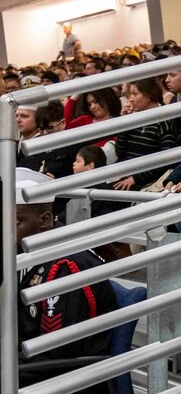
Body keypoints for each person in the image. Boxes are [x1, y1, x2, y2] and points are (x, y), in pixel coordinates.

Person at [15, 168, 117, 393]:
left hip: (65, 380)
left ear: (45, 220)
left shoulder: (67, 267)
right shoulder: (21, 254)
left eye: (15, 221)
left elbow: (54, 353)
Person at [112, 77, 181, 191]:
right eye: (130, 95)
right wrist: (123, 123)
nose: (131, 99)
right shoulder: (133, 119)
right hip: (126, 174)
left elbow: (166, 159)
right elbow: (120, 152)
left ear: (148, 95)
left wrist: (136, 178)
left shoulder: (163, 122)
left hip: (146, 181)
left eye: (135, 94)